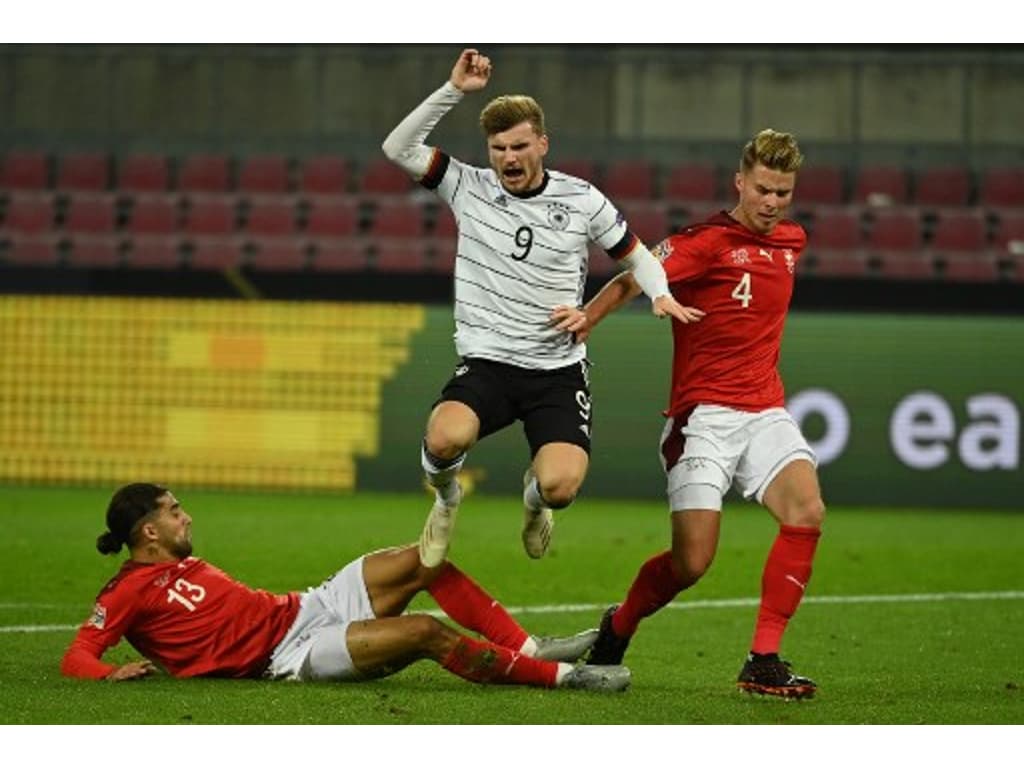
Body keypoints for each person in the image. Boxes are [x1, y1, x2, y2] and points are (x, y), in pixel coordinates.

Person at [382, 48, 704, 568]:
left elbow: (637, 256)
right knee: (444, 438)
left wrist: (661, 292)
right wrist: (454, 92)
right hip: (488, 362)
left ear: (542, 145)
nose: (508, 157)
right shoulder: (467, 186)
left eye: (519, 146)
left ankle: (535, 504)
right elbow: (397, 147)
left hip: (556, 370)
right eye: (498, 147)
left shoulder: (582, 200)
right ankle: (446, 500)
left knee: (560, 486)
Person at [575, 129, 825, 699]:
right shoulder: (705, 241)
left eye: (783, 192)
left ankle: (763, 659)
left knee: (807, 510)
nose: (771, 202)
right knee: (692, 564)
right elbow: (635, 272)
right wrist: (588, 320)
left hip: (764, 408)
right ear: (740, 181)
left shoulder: (793, 240)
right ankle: (619, 625)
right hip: (702, 418)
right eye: (762, 188)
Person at [61, 482, 630, 692]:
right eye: (175, 511)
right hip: (289, 655)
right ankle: (564, 677)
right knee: (426, 632)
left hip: (309, 606)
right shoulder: (126, 592)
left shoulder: (174, 566)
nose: (187, 518)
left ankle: (528, 648)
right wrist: (109, 671)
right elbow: (78, 655)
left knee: (426, 560)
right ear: (150, 531)